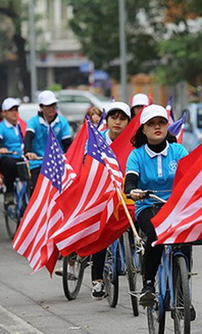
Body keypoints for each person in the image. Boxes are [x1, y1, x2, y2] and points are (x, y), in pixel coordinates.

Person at [124, 104, 188, 306]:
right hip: (147, 205)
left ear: (167, 126)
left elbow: (190, 174)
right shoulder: (137, 155)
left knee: (186, 238)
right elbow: (131, 179)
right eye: (151, 124)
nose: (157, 127)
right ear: (143, 129)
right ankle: (149, 284)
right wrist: (133, 190)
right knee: (154, 235)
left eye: (161, 122)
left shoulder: (178, 150)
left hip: (175, 205)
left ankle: (183, 295)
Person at [88, 101, 131, 300]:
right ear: (107, 120)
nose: (118, 122)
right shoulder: (97, 142)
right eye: (114, 117)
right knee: (101, 233)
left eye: (123, 119)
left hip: (127, 197)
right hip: (103, 196)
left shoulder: (134, 144)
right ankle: (97, 279)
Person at [24, 90, 72, 187]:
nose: (51, 108)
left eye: (53, 105)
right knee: (36, 188)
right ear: (41, 107)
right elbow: (28, 138)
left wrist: (68, 157)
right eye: (48, 106)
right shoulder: (33, 122)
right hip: (38, 162)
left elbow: (67, 143)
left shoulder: (62, 122)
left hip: (58, 163)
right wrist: (28, 152)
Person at [0, 98, 24, 204]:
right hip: (10, 157)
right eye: (11, 110)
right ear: (4, 113)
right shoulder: (1, 128)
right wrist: (0, 148)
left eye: (16, 109)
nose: (14, 112)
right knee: (9, 164)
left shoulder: (23, 125)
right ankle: (9, 192)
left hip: (24, 157)